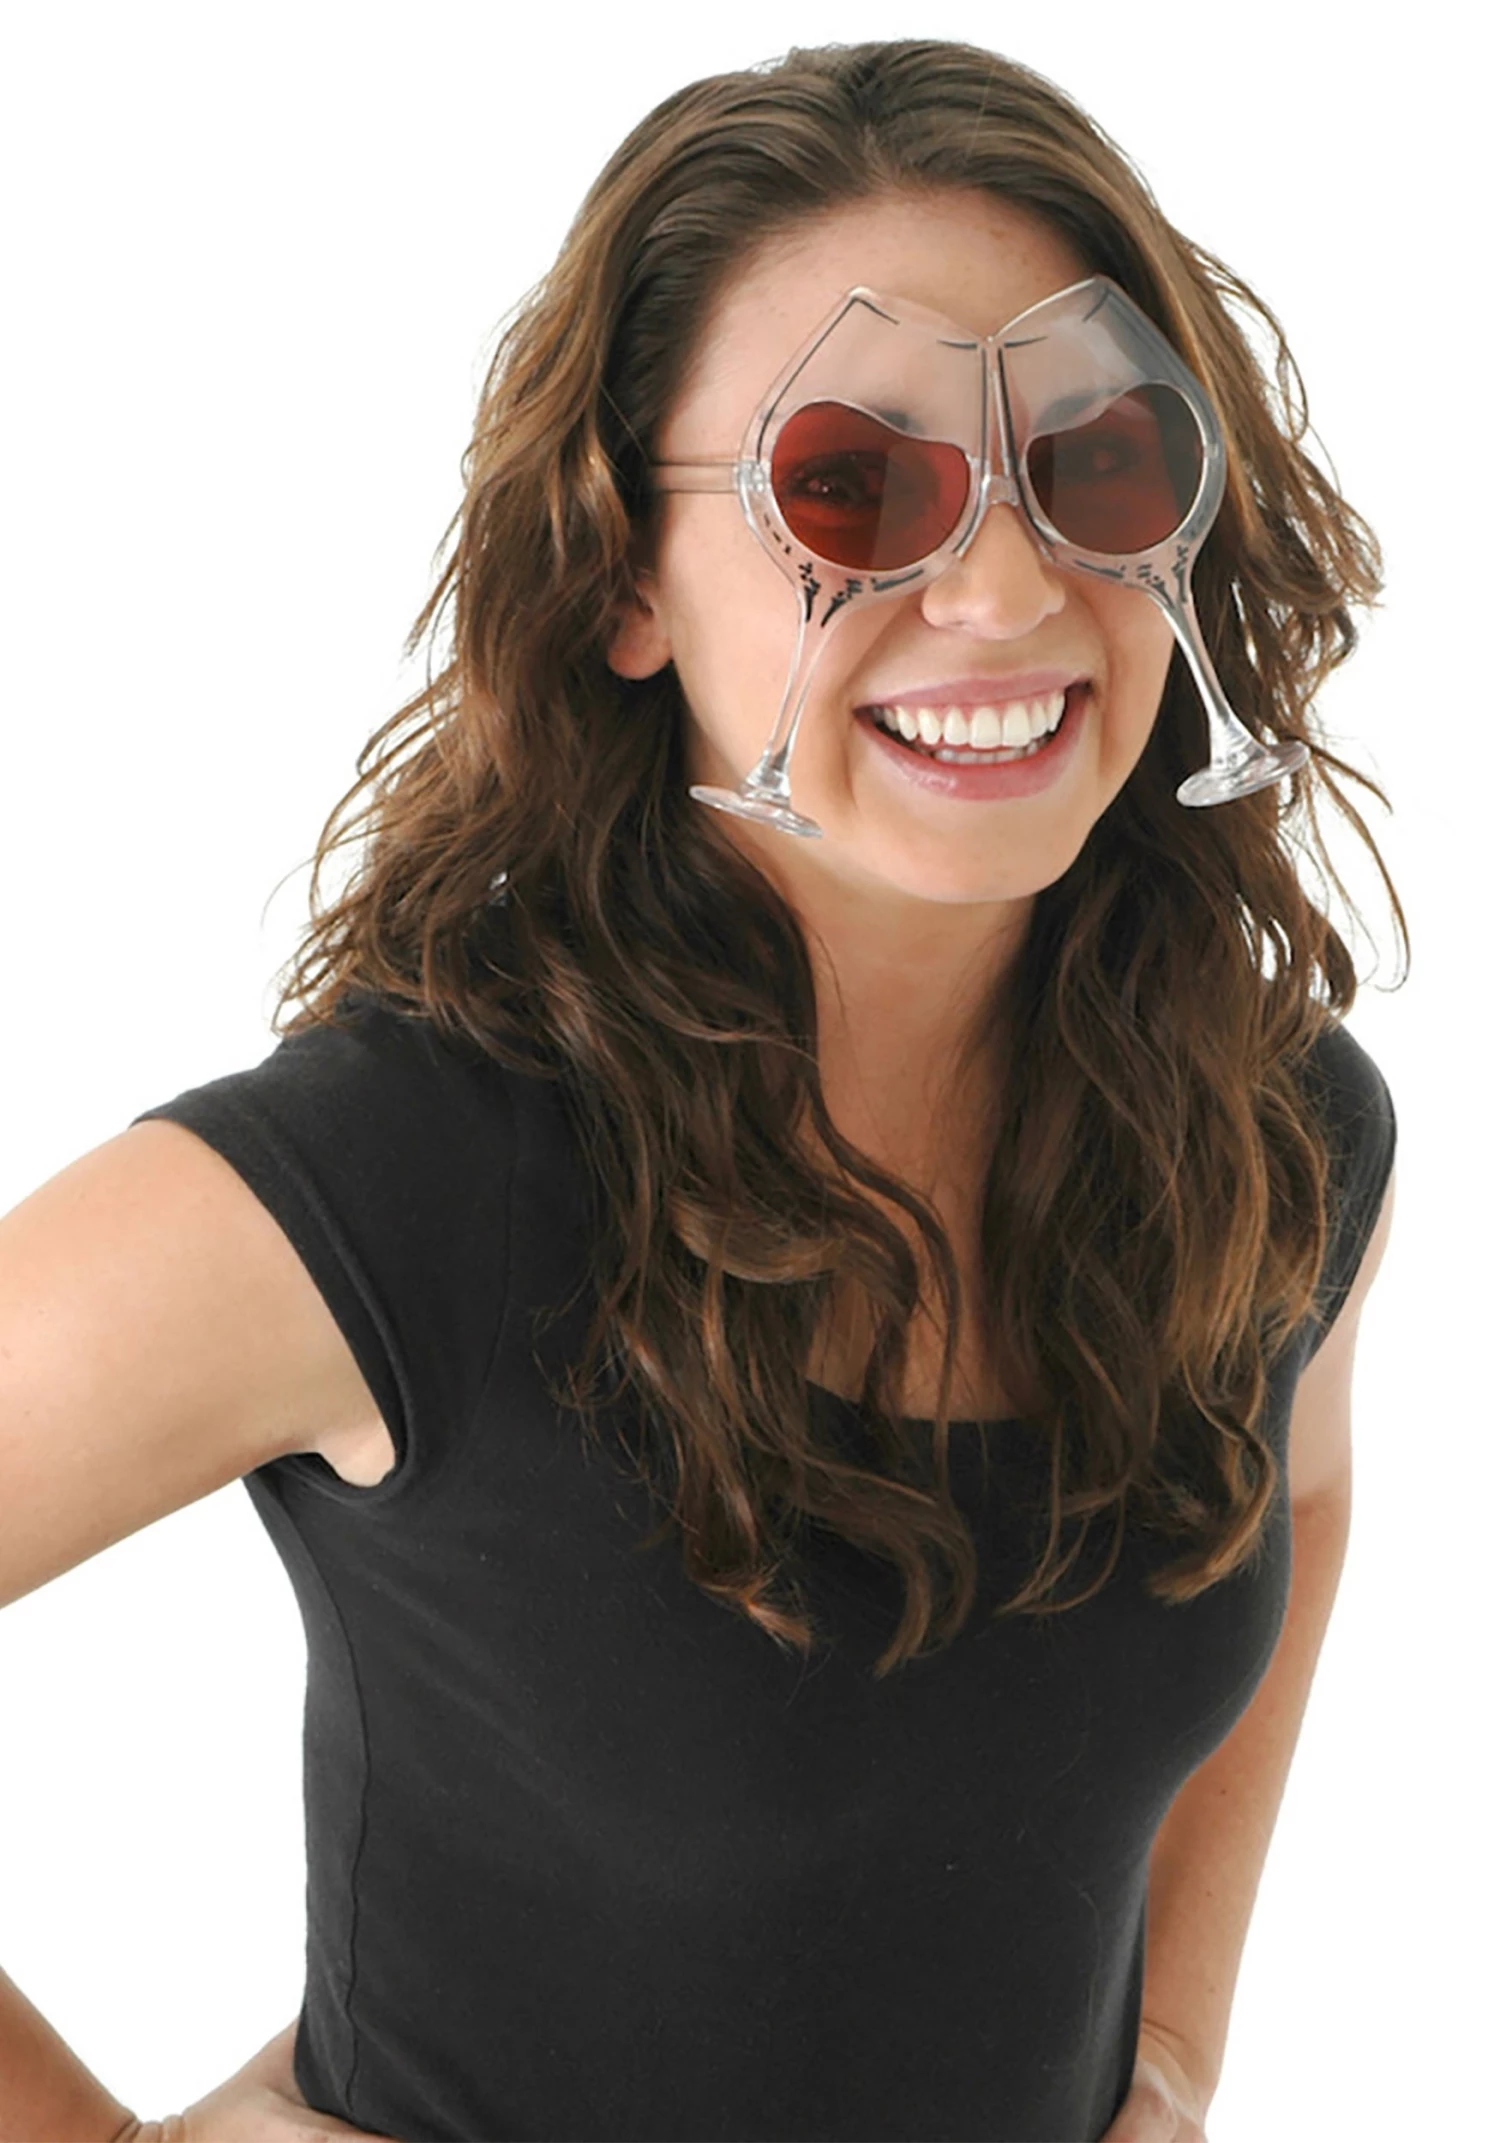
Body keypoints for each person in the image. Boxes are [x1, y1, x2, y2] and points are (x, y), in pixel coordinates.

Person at [0, 36, 1402, 2143]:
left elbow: (1298, 1497)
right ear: (622, 578)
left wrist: (1177, 2058)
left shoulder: (1277, 1132)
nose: (1008, 589)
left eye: (1095, 462)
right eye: (851, 486)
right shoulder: (394, 1188)